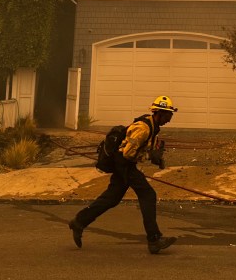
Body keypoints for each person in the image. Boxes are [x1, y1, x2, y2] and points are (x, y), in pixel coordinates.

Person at [69, 96, 178, 254]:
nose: (169, 119)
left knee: (111, 199)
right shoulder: (144, 128)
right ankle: (154, 240)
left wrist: (157, 159)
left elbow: (144, 150)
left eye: (171, 115)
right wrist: (148, 157)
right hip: (123, 163)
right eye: (168, 115)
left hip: (125, 164)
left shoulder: (154, 128)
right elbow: (127, 153)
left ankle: (79, 222)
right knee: (148, 195)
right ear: (158, 113)